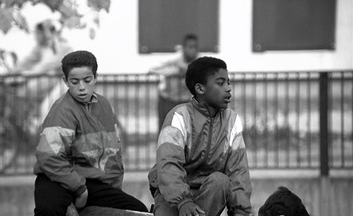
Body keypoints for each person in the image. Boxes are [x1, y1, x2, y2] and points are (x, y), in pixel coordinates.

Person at [34, 51, 148, 215]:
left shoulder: (104, 105)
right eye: (74, 82)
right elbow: (48, 157)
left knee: (137, 211)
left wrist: (114, 190)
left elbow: (113, 153)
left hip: (92, 182)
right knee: (49, 210)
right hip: (57, 178)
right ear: (65, 81)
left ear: (95, 77)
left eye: (87, 80)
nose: (82, 87)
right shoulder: (62, 110)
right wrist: (80, 189)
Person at [148, 57, 252, 216]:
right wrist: (183, 201)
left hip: (208, 193)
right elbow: (168, 164)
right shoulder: (179, 116)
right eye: (220, 83)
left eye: (228, 82)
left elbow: (238, 171)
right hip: (172, 194)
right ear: (200, 89)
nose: (228, 88)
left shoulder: (232, 120)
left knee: (220, 181)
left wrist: (241, 211)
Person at [149, 34, 199, 130]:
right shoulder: (174, 59)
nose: (193, 50)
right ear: (184, 48)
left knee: (187, 129)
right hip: (167, 99)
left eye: (195, 47)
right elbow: (153, 68)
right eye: (190, 47)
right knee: (165, 128)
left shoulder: (199, 61)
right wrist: (175, 71)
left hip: (186, 100)